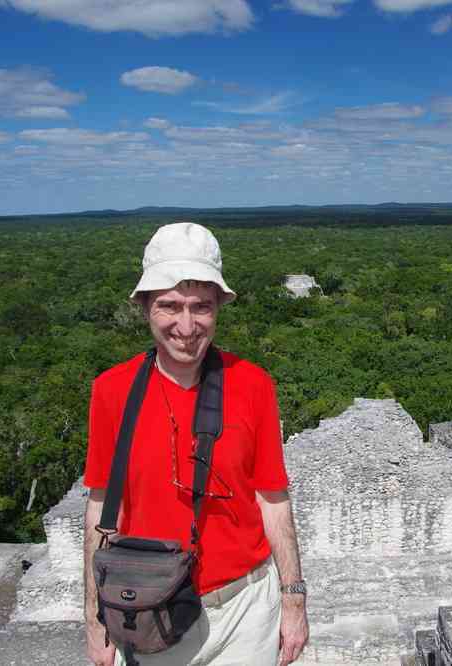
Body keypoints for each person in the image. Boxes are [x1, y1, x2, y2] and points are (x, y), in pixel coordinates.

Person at [82, 222, 309, 666]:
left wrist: (294, 603)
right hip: (150, 609)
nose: (186, 326)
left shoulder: (253, 385)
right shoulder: (113, 391)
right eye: (169, 306)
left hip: (245, 609)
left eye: (200, 307)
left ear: (218, 308)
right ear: (145, 306)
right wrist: (95, 618)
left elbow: (273, 500)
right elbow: (101, 506)